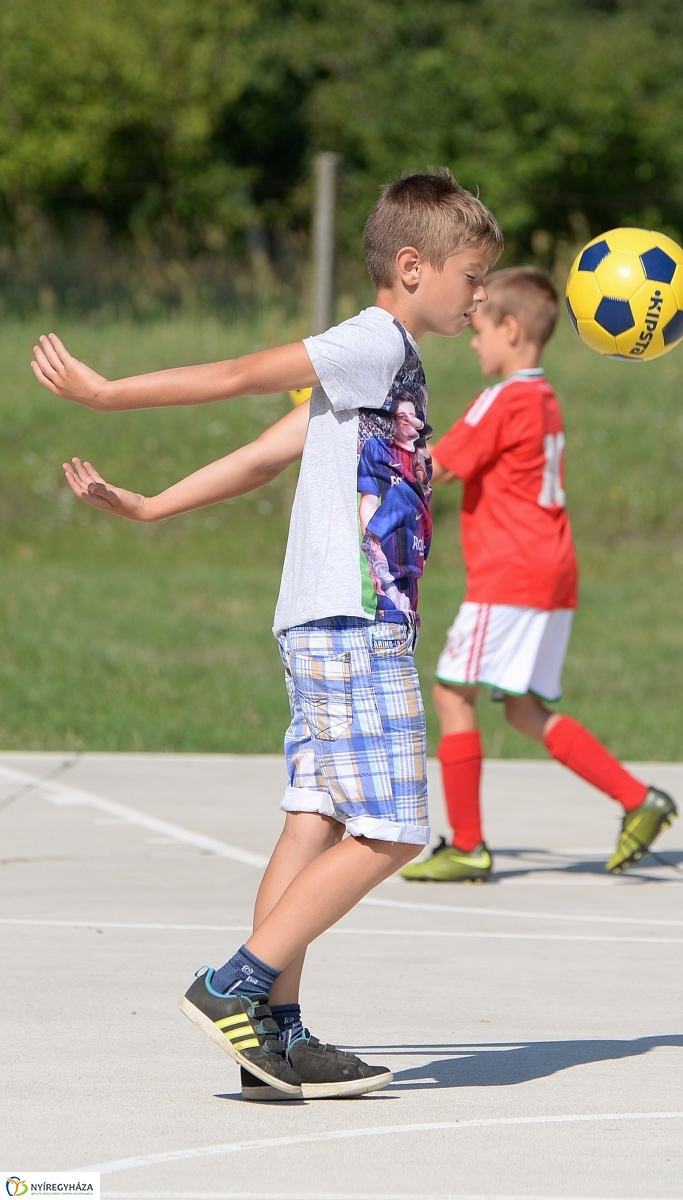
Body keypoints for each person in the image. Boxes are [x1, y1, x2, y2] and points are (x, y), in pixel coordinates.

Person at [31, 168, 504, 1100]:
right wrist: (107, 394)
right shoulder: (375, 342)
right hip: (354, 621)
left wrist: (152, 505)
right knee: (394, 830)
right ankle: (234, 986)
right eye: (473, 276)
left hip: (321, 623)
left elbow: (263, 455)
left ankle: (273, 1038)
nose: (480, 296)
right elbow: (241, 375)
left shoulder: (374, 371)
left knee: (314, 822)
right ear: (413, 266)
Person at [400, 267, 677, 884]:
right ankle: (637, 799)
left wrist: (370, 436)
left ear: (511, 329)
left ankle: (467, 845)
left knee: (452, 694)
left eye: (478, 330)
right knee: (523, 710)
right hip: (553, 573)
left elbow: (435, 467)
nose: (472, 342)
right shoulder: (543, 396)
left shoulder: (501, 399)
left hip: (511, 575)